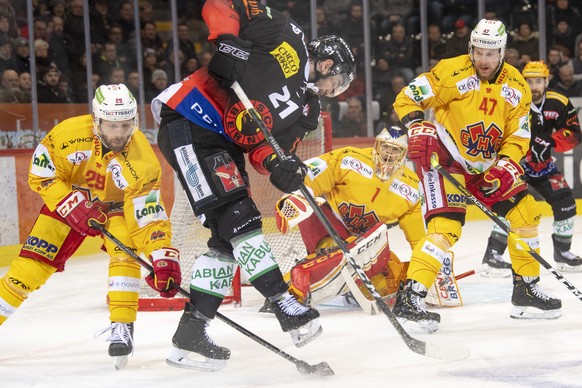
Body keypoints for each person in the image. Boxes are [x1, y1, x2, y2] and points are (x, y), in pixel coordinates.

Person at [151, 0, 354, 372]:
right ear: (327, 64)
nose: (335, 89)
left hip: (221, 144)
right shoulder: (288, 38)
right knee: (240, 218)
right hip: (190, 116)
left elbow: (264, 151)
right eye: (338, 80)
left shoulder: (307, 110)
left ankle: (192, 333)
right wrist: (228, 43)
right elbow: (224, 4)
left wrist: (281, 166)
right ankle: (283, 302)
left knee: (227, 240)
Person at [392, 19, 562, 333]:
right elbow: (407, 97)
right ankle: (411, 297)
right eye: (478, 52)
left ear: (503, 52)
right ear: (471, 48)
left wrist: (508, 163)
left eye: (491, 53)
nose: (483, 60)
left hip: (487, 168)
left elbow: (518, 135)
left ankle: (525, 291)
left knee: (527, 212)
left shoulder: (518, 87)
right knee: (446, 228)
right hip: (446, 161)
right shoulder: (450, 71)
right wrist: (416, 125)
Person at [0, 84, 181, 369]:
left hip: (116, 210)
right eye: (111, 125)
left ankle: (122, 325)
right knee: (28, 270)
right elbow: (41, 174)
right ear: (96, 120)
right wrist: (70, 203)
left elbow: (148, 216)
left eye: (125, 125)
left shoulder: (143, 161)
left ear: (133, 122)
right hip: (68, 202)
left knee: (125, 248)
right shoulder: (68, 135)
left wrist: (161, 255)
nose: (119, 133)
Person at [271, 127, 461, 313]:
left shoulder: (411, 187)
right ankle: (286, 292)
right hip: (328, 227)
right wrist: (293, 198)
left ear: (404, 154)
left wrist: (432, 265)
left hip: (366, 244)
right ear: (376, 145)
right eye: (385, 147)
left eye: (395, 150)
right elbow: (311, 175)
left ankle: (346, 285)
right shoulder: (349, 158)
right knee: (331, 249)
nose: (388, 153)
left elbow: (418, 239)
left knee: (387, 284)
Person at [482, 61, 582, 273]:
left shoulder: (559, 102)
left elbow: (574, 134)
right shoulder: (510, 100)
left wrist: (551, 140)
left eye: (538, 81)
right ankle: (493, 256)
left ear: (547, 81)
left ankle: (562, 254)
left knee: (566, 203)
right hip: (514, 164)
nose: (534, 86)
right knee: (506, 206)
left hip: (542, 166)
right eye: (529, 81)